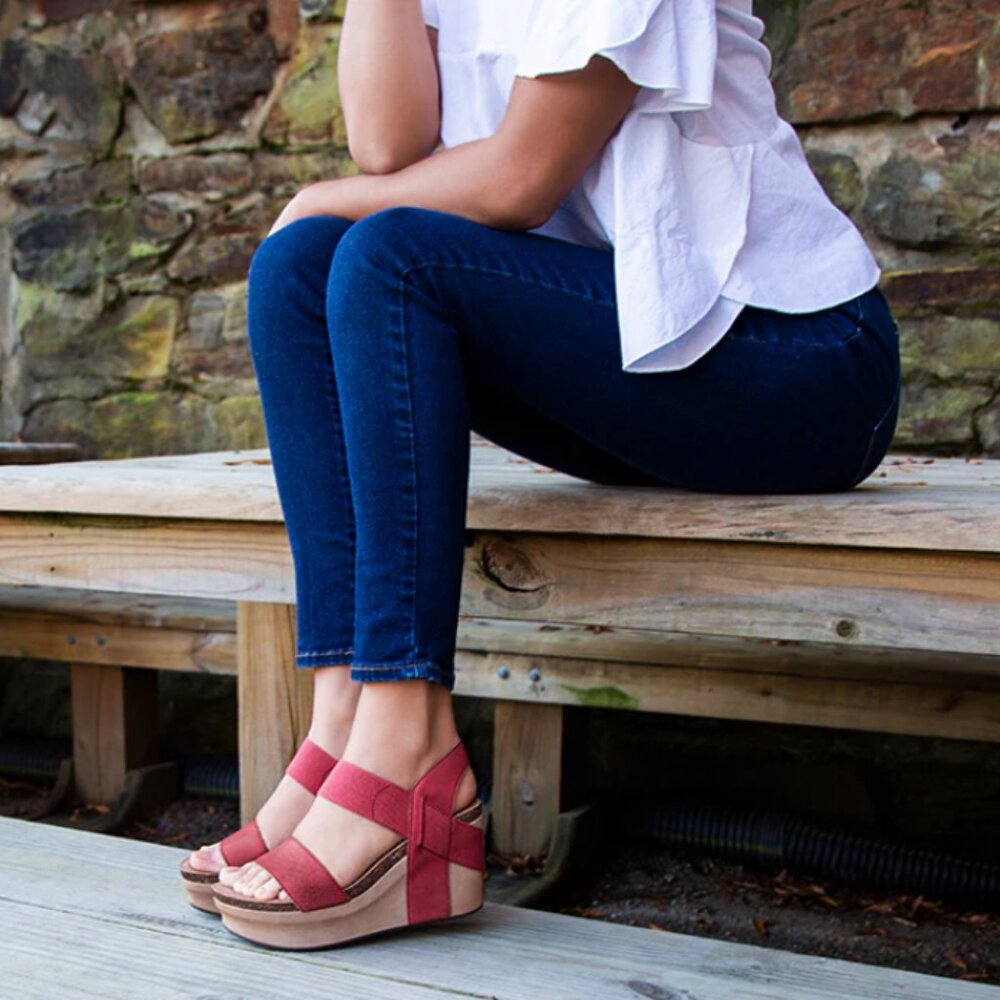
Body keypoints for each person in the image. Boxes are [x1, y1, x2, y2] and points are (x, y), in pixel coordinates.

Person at [178, 0, 901, 949]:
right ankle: (345, 722)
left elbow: (520, 179)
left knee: (387, 255)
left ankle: (409, 761)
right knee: (298, 272)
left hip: (795, 362)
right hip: (636, 358)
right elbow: (389, 145)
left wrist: (315, 198)